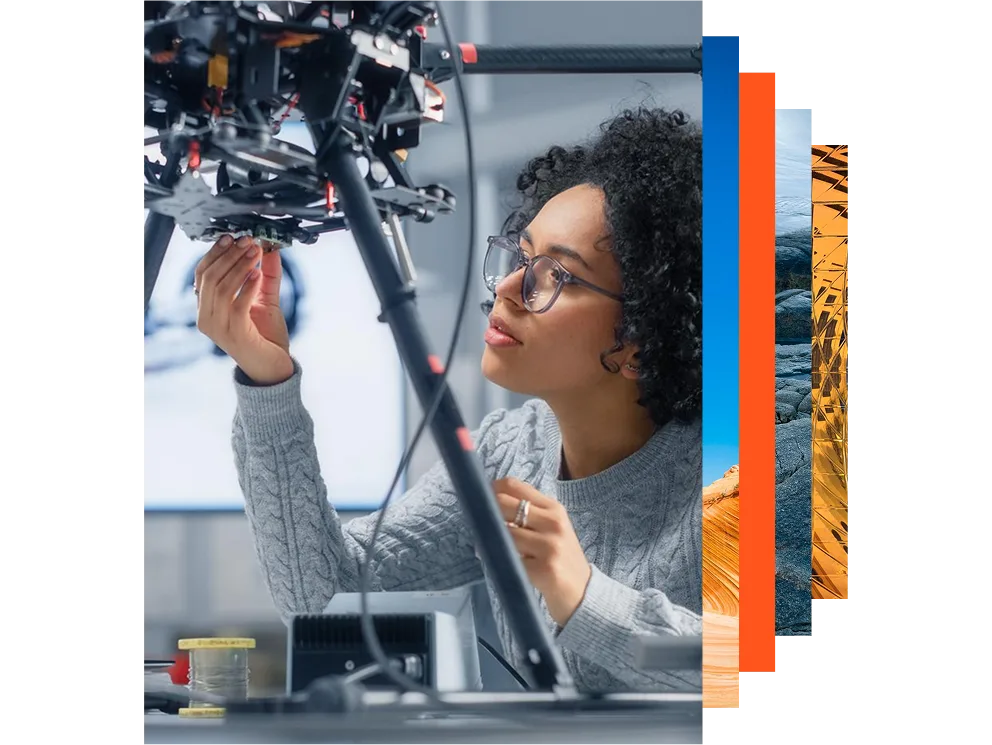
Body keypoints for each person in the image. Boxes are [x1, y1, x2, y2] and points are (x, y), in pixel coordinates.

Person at [194, 106, 702, 694]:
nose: (508, 289)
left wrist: (582, 595)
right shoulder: (510, 452)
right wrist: (268, 381)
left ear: (645, 335)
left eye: (555, 276)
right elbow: (324, 597)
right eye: (521, 256)